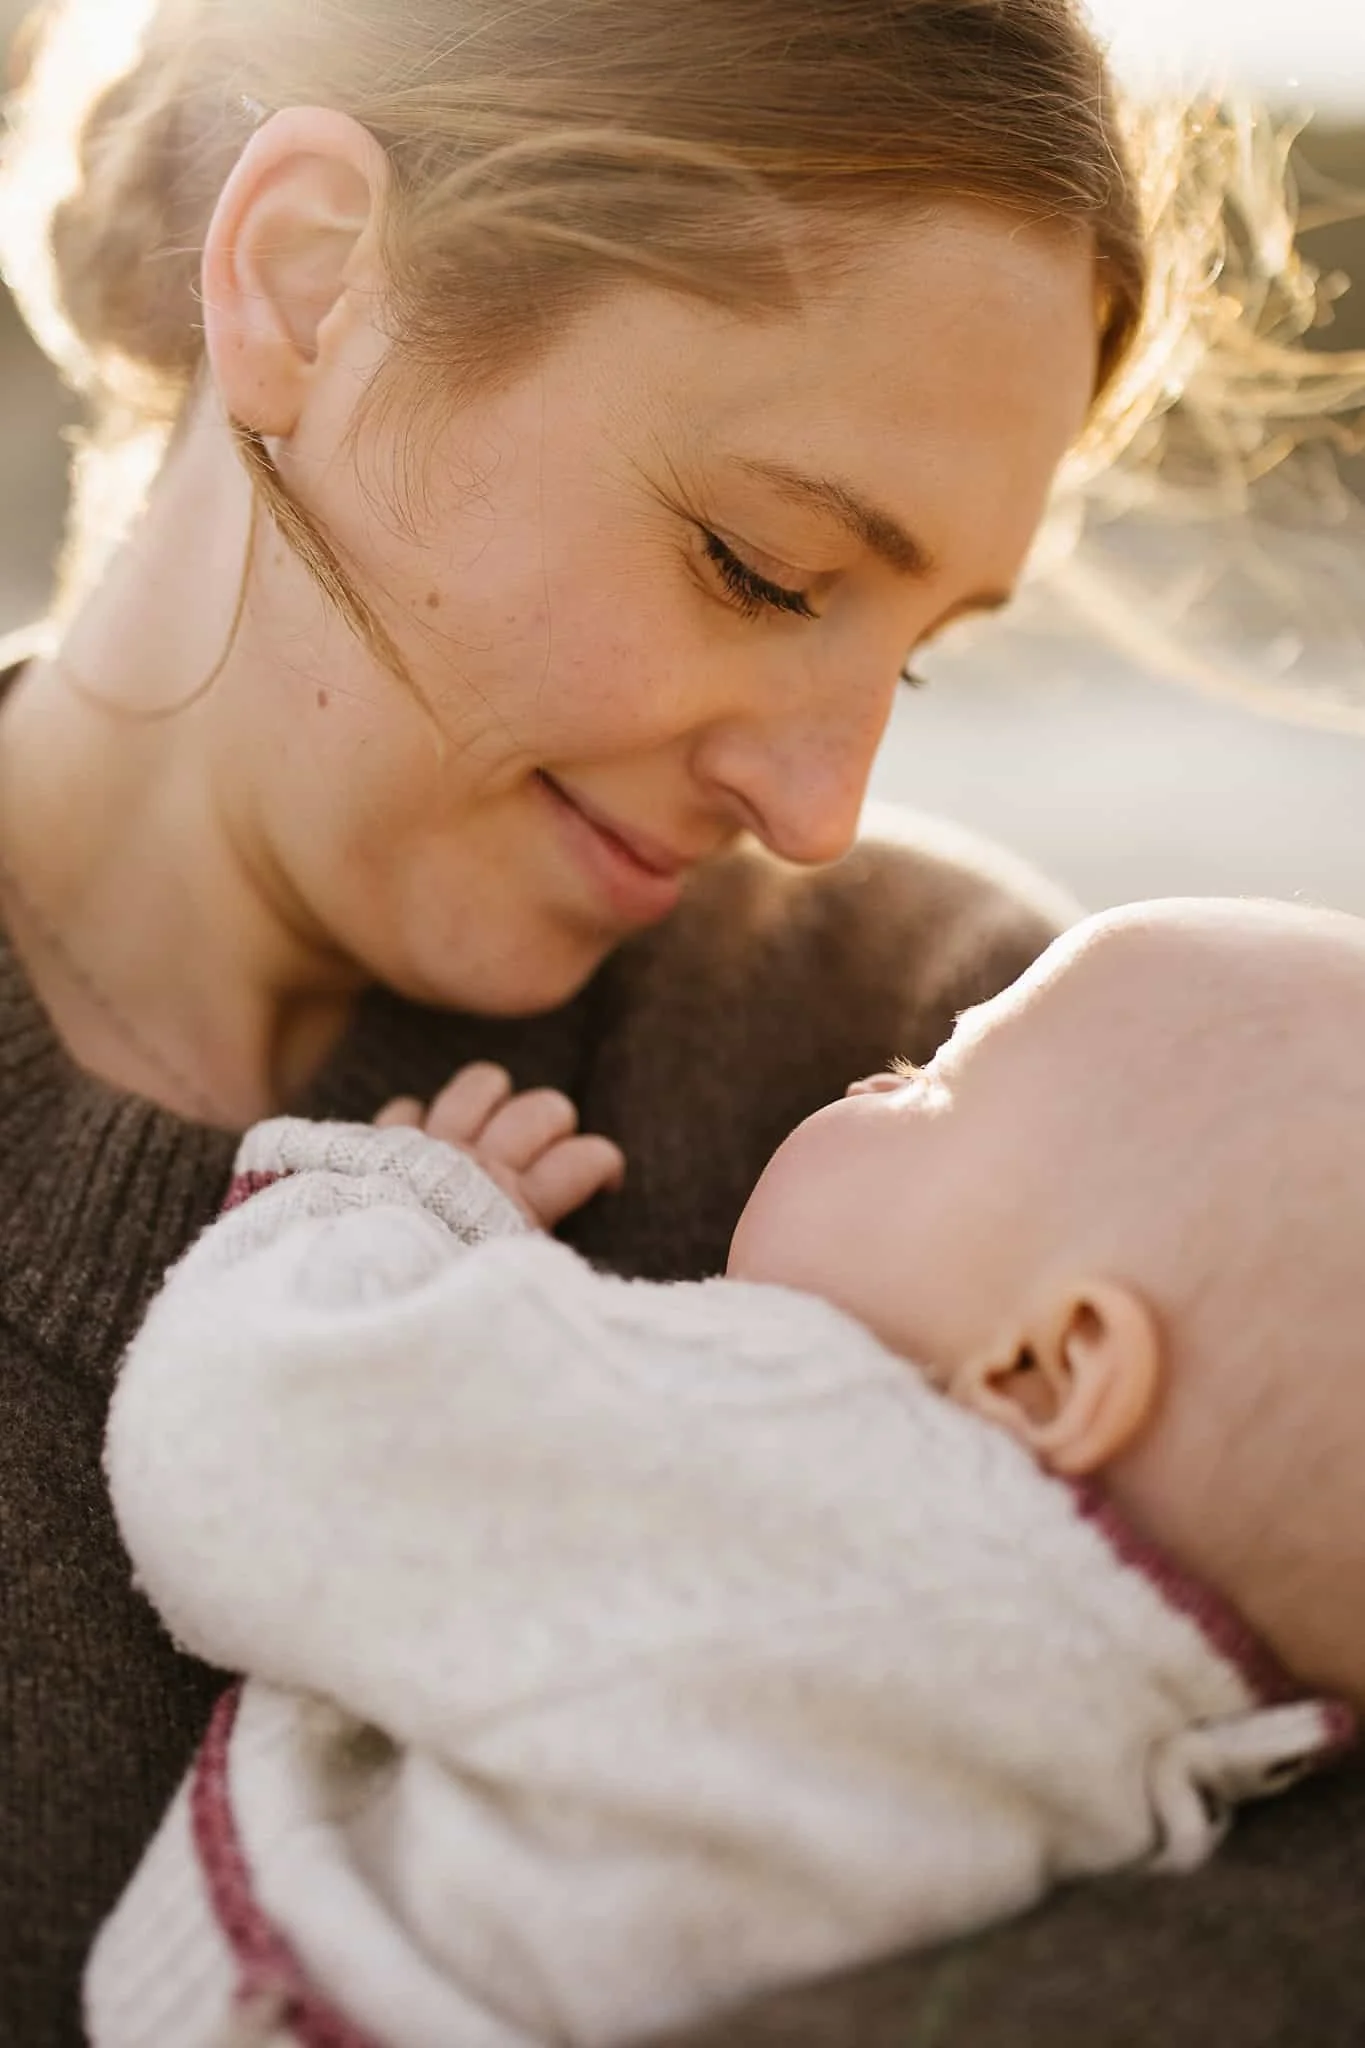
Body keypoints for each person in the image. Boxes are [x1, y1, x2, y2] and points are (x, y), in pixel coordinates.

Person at [0, 0, 1352, 2042]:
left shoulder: (958, 1044)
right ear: (303, 282)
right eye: (760, 563)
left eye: (916, 663)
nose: (814, 814)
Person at [85, 896, 1363, 2048]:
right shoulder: (1204, 1723)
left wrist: (390, 1210)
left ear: (1049, 1370)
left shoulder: (788, 1445)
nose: (870, 1071)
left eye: (929, 1081)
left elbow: (259, 1441)